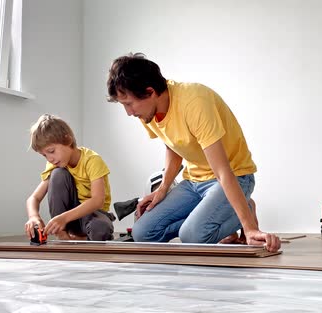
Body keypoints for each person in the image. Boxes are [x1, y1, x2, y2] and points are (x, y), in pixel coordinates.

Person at [106, 53, 280, 252]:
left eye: (129, 104)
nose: (129, 112)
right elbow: (172, 145)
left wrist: (249, 229)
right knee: (142, 232)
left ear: (150, 92)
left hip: (235, 176)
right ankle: (211, 219)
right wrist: (162, 190)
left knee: (193, 236)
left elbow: (223, 171)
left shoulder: (194, 103)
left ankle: (244, 209)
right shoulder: (148, 113)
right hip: (194, 182)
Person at [25, 114, 115, 241]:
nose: (50, 159)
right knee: (58, 174)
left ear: (68, 140)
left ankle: (81, 237)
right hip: (67, 221)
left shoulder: (92, 160)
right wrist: (33, 216)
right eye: (44, 155)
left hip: (93, 215)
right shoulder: (54, 165)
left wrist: (64, 218)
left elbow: (97, 200)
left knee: (100, 228)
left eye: (51, 151)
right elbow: (33, 198)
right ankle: (62, 234)